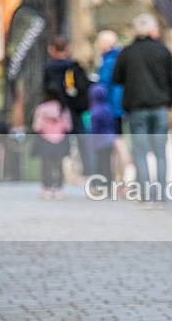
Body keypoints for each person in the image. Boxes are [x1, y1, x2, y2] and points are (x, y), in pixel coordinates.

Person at [112, 14, 172, 203]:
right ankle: (162, 193)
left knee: (140, 153)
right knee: (160, 152)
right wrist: (170, 99)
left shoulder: (127, 52)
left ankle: (146, 192)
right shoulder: (162, 51)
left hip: (136, 108)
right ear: (151, 29)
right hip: (159, 107)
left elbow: (116, 77)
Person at [43, 36, 92, 175]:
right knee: (82, 140)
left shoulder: (48, 68)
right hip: (75, 109)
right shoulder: (74, 67)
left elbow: (45, 88)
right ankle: (88, 170)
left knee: (55, 141)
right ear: (68, 49)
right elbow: (85, 87)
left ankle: (59, 174)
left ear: (52, 50)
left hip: (56, 110)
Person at [96, 30, 131, 184]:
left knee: (116, 143)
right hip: (119, 106)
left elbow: (103, 85)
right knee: (119, 141)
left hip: (110, 108)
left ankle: (122, 177)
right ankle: (121, 178)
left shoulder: (108, 61)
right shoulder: (119, 58)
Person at [31, 87, 72, 199]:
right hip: (60, 139)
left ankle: (47, 188)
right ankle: (59, 188)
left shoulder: (41, 109)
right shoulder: (63, 109)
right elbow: (68, 126)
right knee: (59, 165)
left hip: (45, 139)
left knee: (46, 165)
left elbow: (37, 126)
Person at [88, 83, 116, 196]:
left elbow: (95, 130)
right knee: (107, 165)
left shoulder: (95, 111)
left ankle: (100, 187)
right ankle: (109, 187)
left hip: (99, 142)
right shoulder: (108, 108)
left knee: (100, 165)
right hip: (109, 140)